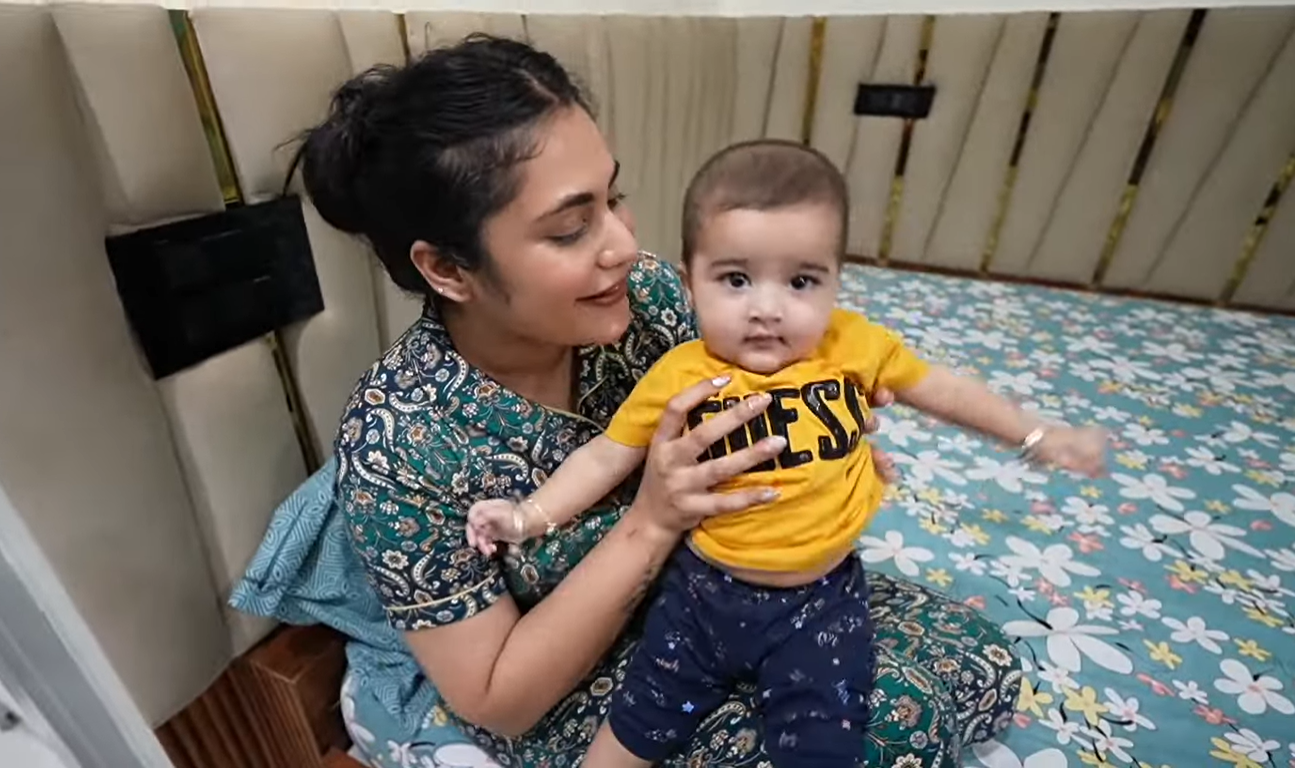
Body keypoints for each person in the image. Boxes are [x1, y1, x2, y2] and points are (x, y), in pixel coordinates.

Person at [298, 34, 1022, 767]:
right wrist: (652, 520)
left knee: (981, 660)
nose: (621, 244)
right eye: (571, 228)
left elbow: (756, 379)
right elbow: (499, 699)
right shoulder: (400, 442)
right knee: (883, 735)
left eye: (614, 198)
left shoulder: (644, 293)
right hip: (584, 675)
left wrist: (825, 422)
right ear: (450, 269)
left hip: (730, 584)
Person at [462, 140, 1105, 768]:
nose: (766, 309)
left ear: (835, 283)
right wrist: (527, 516)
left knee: (828, 741)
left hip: (822, 601)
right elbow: (607, 456)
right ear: (690, 283)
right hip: (701, 599)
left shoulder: (851, 345)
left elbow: (942, 390)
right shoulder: (682, 374)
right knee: (638, 722)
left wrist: (1036, 434)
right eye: (736, 279)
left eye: (801, 281)